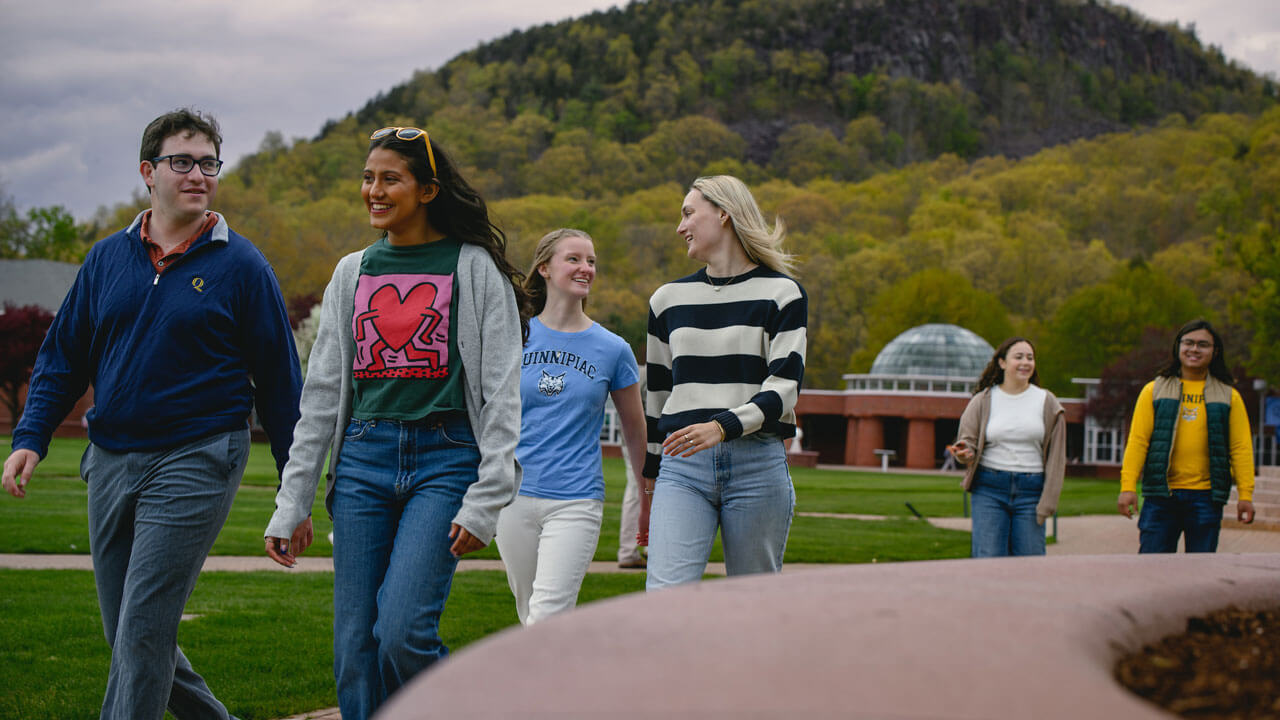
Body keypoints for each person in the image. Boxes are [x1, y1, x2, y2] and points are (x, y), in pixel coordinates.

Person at [2, 108, 303, 720]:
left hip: (199, 454)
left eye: (209, 164)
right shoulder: (106, 259)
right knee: (131, 634)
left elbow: (279, 383)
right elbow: (63, 355)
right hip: (110, 457)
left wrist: (292, 489)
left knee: (141, 628)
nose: (199, 175)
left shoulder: (243, 267)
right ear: (149, 171)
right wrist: (30, 436)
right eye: (182, 162)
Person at [263, 126, 525, 719]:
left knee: (403, 629)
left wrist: (487, 497)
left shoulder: (475, 268)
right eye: (367, 177)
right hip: (362, 460)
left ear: (428, 191)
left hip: (447, 458)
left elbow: (503, 392)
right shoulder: (352, 272)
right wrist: (293, 501)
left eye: (389, 179)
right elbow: (323, 394)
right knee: (355, 645)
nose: (373, 190)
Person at [643, 175, 807, 590]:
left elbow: (785, 386)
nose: (680, 227)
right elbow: (659, 393)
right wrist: (651, 466)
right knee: (665, 600)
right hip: (682, 465)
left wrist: (722, 426)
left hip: (758, 464)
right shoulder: (666, 300)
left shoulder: (783, 294)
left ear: (723, 213)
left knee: (752, 605)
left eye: (688, 213)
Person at [494, 229, 647, 624]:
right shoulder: (514, 334)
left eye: (591, 261)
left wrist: (647, 494)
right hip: (512, 497)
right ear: (544, 268)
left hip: (576, 499)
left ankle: (527, 687)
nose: (586, 268)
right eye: (574, 259)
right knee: (529, 611)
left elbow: (634, 428)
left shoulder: (613, 349)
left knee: (546, 617)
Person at [1116, 319, 1255, 552]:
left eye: (1203, 344)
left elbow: (1240, 448)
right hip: (1161, 497)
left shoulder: (1229, 396)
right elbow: (1138, 441)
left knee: (1200, 577)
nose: (1194, 349)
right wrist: (1127, 486)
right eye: (1188, 342)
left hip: (1207, 499)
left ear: (1215, 351)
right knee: (1152, 572)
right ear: (1178, 347)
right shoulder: (1154, 390)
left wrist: (1246, 494)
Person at [952, 337, 1066, 557]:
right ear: (1002, 363)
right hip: (989, 489)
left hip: (1031, 491)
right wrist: (965, 453)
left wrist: (1048, 502)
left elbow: (1057, 458)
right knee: (989, 560)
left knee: (1030, 561)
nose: (1025, 362)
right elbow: (967, 441)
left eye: (1030, 358)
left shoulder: (1047, 402)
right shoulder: (983, 400)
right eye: (1019, 357)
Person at [617, 363, 649, 568]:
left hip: (635, 441)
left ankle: (644, 547)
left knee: (641, 492)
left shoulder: (641, 372)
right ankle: (629, 551)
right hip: (640, 442)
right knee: (638, 491)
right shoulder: (647, 373)